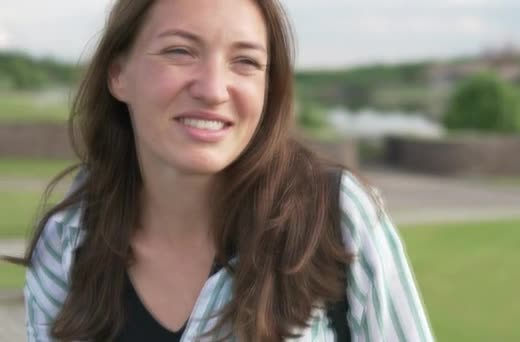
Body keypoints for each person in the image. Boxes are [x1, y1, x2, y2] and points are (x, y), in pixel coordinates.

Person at [19, 0, 434, 341]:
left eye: (245, 62)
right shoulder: (68, 243)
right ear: (118, 74)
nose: (214, 89)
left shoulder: (336, 218)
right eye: (180, 52)